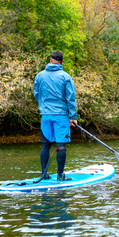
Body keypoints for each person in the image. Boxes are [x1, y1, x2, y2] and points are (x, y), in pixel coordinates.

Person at [34, 50, 78, 181]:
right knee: (61, 146)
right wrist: (73, 117)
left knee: (46, 145)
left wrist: (44, 106)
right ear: (62, 61)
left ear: (50, 59)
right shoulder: (65, 77)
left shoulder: (39, 76)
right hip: (61, 116)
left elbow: (37, 94)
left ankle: (44, 174)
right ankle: (60, 175)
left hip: (46, 115)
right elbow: (71, 98)